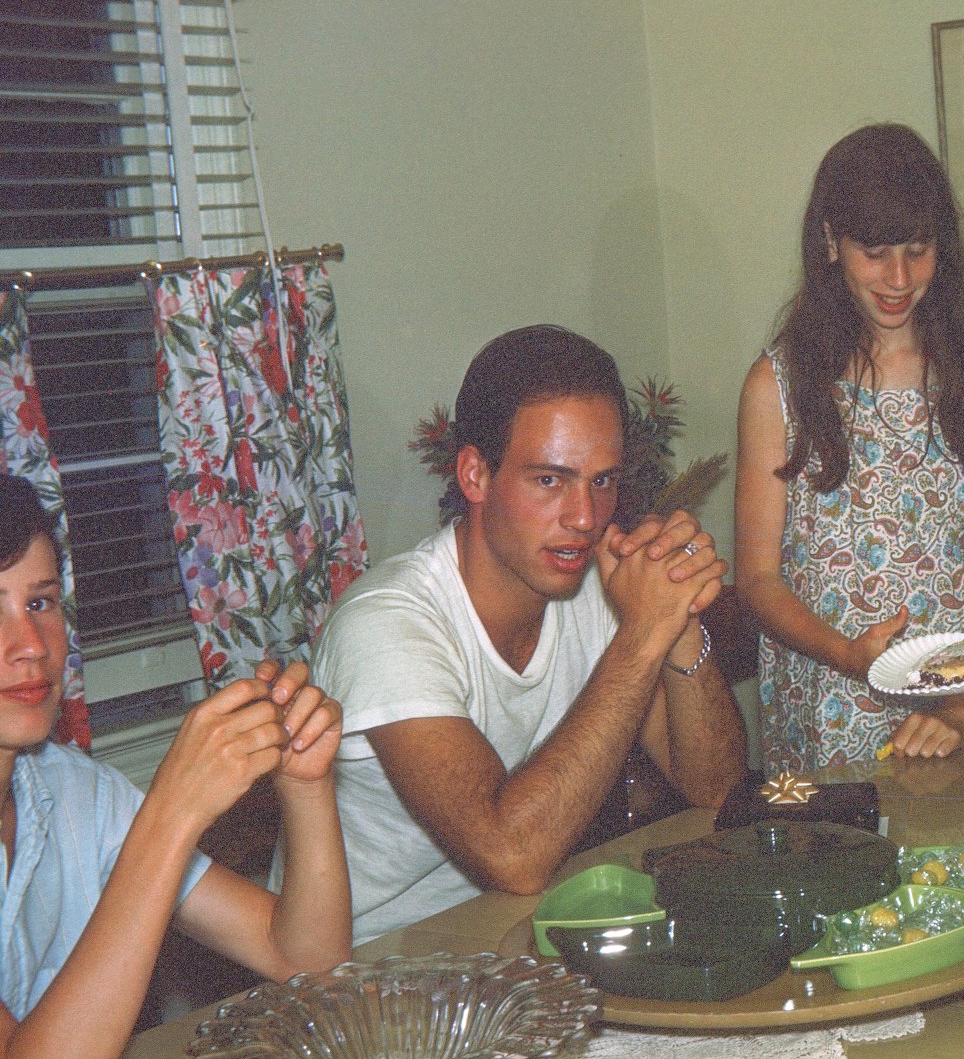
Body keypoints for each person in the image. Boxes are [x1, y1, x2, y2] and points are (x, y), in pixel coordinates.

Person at [300, 325, 746, 944]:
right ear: (475, 475)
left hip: (511, 936)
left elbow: (715, 788)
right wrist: (642, 634)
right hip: (368, 966)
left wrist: (678, 621)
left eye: (603, 481)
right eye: (549, 480)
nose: (585, 518)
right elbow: (512, 855)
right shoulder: (386, 623)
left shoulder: (593, 582)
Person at [0, 474, 350, 1059]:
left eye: (40, 603)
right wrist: (172, 812)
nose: (32, 644)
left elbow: (304, 959)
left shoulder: (73, 790)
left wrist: (304, 783)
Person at [736, 123, 964, 775]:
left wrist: (962, 702)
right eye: (875, 252)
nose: (899, 278)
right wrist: (846, 654)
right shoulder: (778, 386)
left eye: (918, 250)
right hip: (832, 701)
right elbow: (757, 580)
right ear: (830, 244)